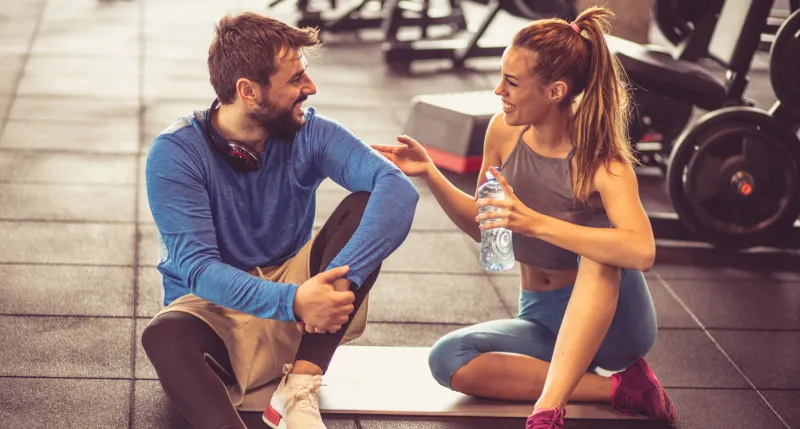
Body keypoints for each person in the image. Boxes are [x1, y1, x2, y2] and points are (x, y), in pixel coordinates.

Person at [372, 6, 676, 429]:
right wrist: (431, 174)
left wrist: (533, 222)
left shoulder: (601, 160)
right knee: (448, 359)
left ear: (554, 91)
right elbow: (487, 226)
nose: (499, 90)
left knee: (602, 242)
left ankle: (548, 409)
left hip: (615, 326)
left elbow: (641, 250)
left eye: (512, 83)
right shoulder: (502, 131)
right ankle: (619, 389)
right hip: (541, 316)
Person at [141, 12, 418, 429]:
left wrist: (313, 295)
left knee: (366, 205)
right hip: (217, 311)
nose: (310, 87)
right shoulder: (176, 153)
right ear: (249, 91)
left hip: (305, 306)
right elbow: (197, 268)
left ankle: (301, 384)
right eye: (295, 80)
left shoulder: (311, 131)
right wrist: (294, 302)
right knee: (163, 336)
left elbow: (397, 189)